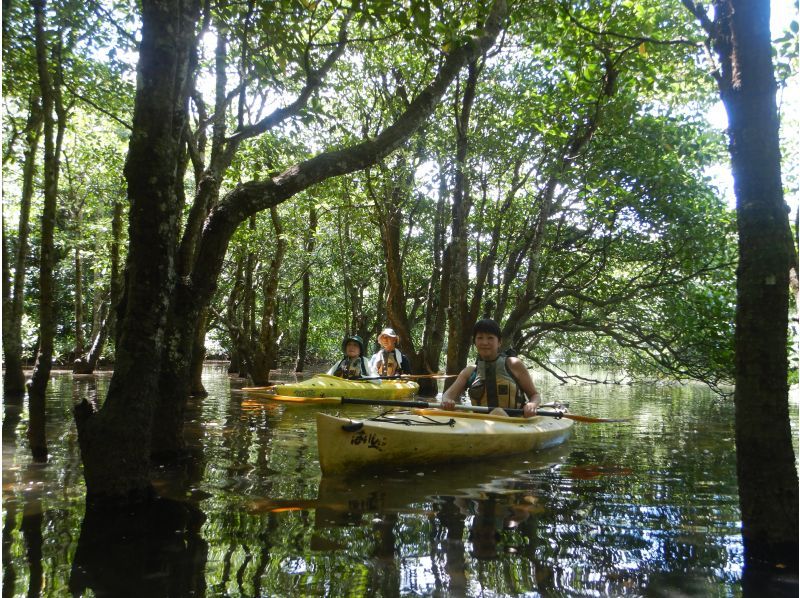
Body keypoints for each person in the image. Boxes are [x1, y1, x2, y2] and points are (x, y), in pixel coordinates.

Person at [441, 319, 540, 417]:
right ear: (475, 342)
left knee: (498, 412)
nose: (485, 342)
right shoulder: (469, 372)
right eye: (480, 338)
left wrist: (532, 404)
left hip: (515, 424)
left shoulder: (514, 364)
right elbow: (447, 395)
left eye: (490, 338)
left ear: (499, 342)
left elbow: (534, 395)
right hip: (482, 425)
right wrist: (447, 401)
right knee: (497, 413)